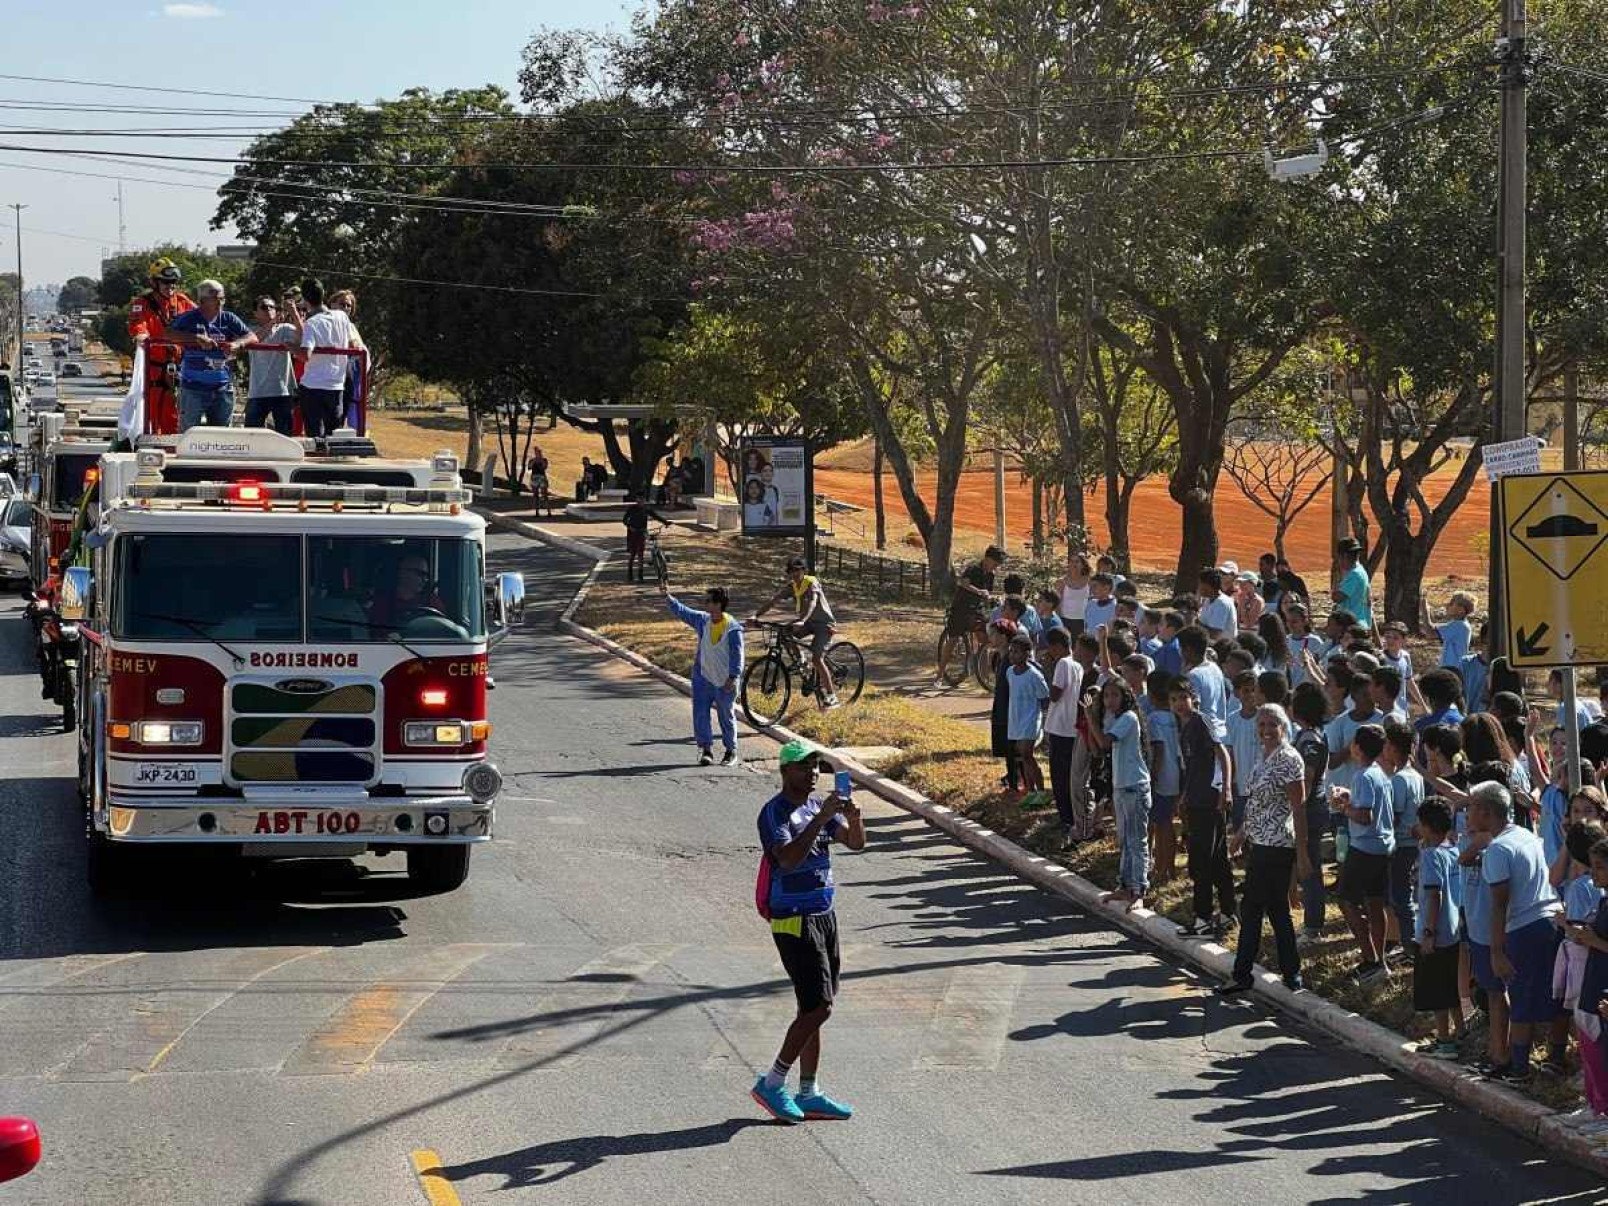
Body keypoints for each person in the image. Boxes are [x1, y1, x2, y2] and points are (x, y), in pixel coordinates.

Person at [752, 740, 866, 1123]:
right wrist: (819, 821)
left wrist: (855, 817)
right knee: (820, 1007)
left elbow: (855, 843)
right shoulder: (775, 813)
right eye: (804, 766)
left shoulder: (819, 806)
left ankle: (809, 1091)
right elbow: (785, 859)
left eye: (817, 767)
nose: (813, 773)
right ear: (785, 772)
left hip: (823, 914)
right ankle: (772, 1082)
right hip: (793, 919)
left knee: (812, 1007)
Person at [1475, 780, 1563, 1083]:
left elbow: (1499, 905)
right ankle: (1551, 1056)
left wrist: (1496, 952)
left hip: (1524, 929)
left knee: (1522, 1000)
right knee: (1548, 995)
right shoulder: (1525, 834)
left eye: (1472, 808)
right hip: (1548, 920)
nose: (1468, 814)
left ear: (1486, 813)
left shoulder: (1497, 850)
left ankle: (1519, 1068)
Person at [1218, 703, 1310, 994]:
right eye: (1262, 725)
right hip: (1259, 842)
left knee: (1256, 907)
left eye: (1273, 725)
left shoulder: (1289, 759)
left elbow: (1299, 808)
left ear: (1284, 727)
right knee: (1275, 909)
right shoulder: (1264, 757)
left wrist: (1303, 853)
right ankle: (1289, 972)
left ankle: (1243, 973)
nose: (1267, 731)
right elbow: (1258, 803)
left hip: (1278, 845)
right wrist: (1242, 832)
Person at [1331, 724, 1395, 984]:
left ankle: (1369, 957)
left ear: (1357, 747)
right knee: (1375, 901)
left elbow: (1365, 816)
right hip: (1383, 847)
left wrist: (1344, 808)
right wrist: (1351, 798)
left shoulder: (1363, 776)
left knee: (1346, 901)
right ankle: (1380, 960)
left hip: (1365, 847)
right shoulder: (1379, 773)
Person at [1173, 675, 1236, 937]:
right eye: (1173, 699)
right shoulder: (1185, 727)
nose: (1178, 704)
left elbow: (1222, 754)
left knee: (1201, 860)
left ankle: (1202, 917)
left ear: (1194, 698)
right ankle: (1229, 912)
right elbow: (1193, 766)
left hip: (1210, 799)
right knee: (1216, 858)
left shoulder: (1201, 721)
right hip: (1196, 799)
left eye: (1182, 698)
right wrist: (1185, 795)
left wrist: (1227, 789)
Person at [661, 579, 743, 766]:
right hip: (703, 677)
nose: (704, 604)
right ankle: (706, 750)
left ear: (718, 604)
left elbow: (738, 655)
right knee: (700, 713)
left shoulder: (732, 628)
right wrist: (667, 596)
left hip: (725, 681)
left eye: (708, 601)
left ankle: (731, 751)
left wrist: (733, 676)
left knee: (726, 715)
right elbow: (683, 612)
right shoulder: (703, 620)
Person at [1089, 678, 1151, 910]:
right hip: (1121, 786)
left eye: (1115, 695)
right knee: (1125, 840)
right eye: (1106, 696)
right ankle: (1125, 886)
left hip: (1134, 786)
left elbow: (1105, 742)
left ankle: (1139, 889)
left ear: (1125, 697)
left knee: (1137, 840)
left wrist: (1088, 715)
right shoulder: (1111, 718)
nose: (1110, 700)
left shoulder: (1128, 718)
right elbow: (1096, 747)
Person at [1413, 800, 1466, 1059]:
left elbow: (1434, 896)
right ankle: (1461, 1032)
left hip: (1436, 933)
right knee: (1451, 987)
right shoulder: (1454, 852)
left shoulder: (1432, 856)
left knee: (1437, 993)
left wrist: (1428, 934)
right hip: (1454, 931)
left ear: (1428, 827)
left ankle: (1445, 1040)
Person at [165, 279, 255, 430]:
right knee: (188, 433)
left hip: (222, 388)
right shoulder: (189, 318)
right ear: (202, 301)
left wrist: (237, 344)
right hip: (193, 387)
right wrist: (195, 338)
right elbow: (168, 333)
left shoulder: (229, 318)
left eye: (222, 298)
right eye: (215, 298)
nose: (220, 302)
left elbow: (252, 336)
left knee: (221, 435)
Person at [755, 556, 840, 708]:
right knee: (784, 633)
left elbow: (813, 602)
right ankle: (801, 661)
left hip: (823, 625)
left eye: (797, 570)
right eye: (791, 571)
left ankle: (831, 696)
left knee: (817, 659)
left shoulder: (811, 582)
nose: (794, 574)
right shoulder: (792, 586)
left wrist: (803, 620)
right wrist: (755, 616)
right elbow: (773, 600)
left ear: (803, 570)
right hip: (807, 623)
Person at [126, 257, 196, 435]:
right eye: (165, 282)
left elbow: (201, 320)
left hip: (182, 368)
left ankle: (175, 448)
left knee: (179, 415)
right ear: (154, 282)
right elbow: (137, 325)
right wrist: (142, 336)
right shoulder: (142, 304)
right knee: (152, 415)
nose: (170, 286)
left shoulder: (182, 302)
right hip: (154, 370)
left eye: (173, 282)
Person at [1567, 833, 1608, 1122]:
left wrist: (1593, 941)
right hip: (1593, 981)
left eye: (1600, 866)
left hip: (1604, 988)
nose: (1592, 872)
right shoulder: (1604, 900)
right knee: (1592, 1050)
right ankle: (1595, 1106)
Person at [1291, 682, 1333, 945]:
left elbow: (1305, 778)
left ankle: (1313, 925)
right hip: (1309, 808)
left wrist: (1296, 807)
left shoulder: (1311, 741)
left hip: (1309, 810)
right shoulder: (1311, 734)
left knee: (1309, 866)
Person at [1383, 718, 1426, 960]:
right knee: (1402, 892)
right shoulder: (1414, 775)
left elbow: (1395, 815)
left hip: (1401, 844)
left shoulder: (1399, 779)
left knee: (1401, 895)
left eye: (1387, 745)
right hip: (1412, 843)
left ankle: (1409, 944)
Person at [295, 278, 358, 438]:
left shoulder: (312, 323)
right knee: (333, 436)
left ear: (305, 299)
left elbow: (305, 355)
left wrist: (290, 346)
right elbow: (353, 345)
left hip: (312, 387)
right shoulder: (342, 317)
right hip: (336, 386)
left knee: (314, 436)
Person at [937, 545, 1003, 687]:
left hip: (976, 611)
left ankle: (984, 677)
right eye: (995, 563)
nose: (996, 567)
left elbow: (987, 593)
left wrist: (991, 598)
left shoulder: (991, 575)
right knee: (953, 639)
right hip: (961, 609)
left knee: (984, 639)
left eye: (998, 565)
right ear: (987, 559)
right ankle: (940, 674)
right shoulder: (973, 569)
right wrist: (979, 591)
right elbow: (963, 583)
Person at [1043, 628, 1083, 847]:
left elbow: (1055, 694)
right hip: (1072, 727)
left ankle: (1065, 818)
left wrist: (1048, 670)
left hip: (1060, 727)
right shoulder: (1077, 664)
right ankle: (1070, 816)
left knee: (1059, 776)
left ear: (1057, 645)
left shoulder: (1062, 664)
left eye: (1050, 646)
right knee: (1070, 775)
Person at [1145, 669, 1182, 884]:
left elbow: (1157, 749)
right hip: (1176, 774)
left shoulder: (1153, 719)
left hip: (1162, 777)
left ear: (1151, 695)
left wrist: (1152, 777)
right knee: (1167, 823)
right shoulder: (1175, 718)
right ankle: (1169, 867)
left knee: (1162, 824)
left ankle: (1162, 868)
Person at [1005, 634, 1050, 806]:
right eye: (1011, 651)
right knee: (1023, 756)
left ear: (1027, 654)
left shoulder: (1034, 675)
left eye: (1017, 652)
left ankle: (1041, 791)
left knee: (1026, 753)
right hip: (1016, 718)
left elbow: (1044, 697)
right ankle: (1031, 791)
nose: (1012, 655)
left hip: (1031, 719)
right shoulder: (1010, 672)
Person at [243, 296, 298, 433]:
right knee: (251, 436)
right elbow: (253, 340)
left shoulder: (285, 329)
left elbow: (304, 337)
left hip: (282, 391)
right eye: (264, 307)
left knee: (285, 436)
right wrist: (273, 322)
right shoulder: (249, 330)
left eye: (272, 307)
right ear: (255, 313)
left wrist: (294, 312)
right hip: (257, 392)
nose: (269, 309)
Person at [1423, 591, 1477, 669]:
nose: (1448, 605)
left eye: (1452, 603)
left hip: (1453, 669)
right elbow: (1434, 627)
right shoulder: (1459, 624)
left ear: (1461, 610)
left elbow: (1430, 632)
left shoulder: (1459, 626)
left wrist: (1425, 609)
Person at [1333, 536, 1375, 633]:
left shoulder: (1354, 575)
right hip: (1362, 625)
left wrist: (1336, 582)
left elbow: (1337, 597)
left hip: (1352, 627)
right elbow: (1369, 604)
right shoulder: (1361, 571)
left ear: (1342, 556)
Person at [623, 494, 668, 583]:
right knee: (632, 554)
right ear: (636, 500)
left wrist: (666, 522)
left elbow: (656, 516)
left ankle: (640, 575)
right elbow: (624, 520)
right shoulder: (631, 509)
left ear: (644, 500)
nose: (640, 501)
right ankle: (630, 574)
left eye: (642, 500)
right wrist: (629, 526)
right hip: (632, 533)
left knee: (641, 554)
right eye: (639, 499)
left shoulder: (646, 509)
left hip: (642, 532)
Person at [1056, 553, 1092, 635]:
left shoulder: (1090, 581)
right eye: (1071, 561)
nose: (1074, 564)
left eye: (1077, 561)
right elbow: (1057, 603)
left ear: (1083, 565)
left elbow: (1093, 600)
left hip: (1084, 620)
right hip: (1065, 619)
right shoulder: (1061, 581)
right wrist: (1059, 621)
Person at [1197, 568, 1236, 640]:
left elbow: (1214, 635)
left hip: (1222, 648)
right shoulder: (1208, 600)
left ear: (1208, 585)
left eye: (1201, 584)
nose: (1199, 587)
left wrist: (1195, 622)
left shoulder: (1222, 603)